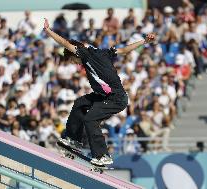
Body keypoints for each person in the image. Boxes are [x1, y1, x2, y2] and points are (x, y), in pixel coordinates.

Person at [43, 18, 156, 166]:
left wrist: (48, 31)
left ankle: (103, 155)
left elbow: (65, 43)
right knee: (80, 103)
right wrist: (144, 42)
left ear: (76, 54)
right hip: (105, 95)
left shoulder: (85, 54)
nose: (75, 64)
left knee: (90, 119)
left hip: (115, 98)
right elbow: (123, 50)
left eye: (72, 60)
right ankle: (74, 140)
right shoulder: (103, 52)